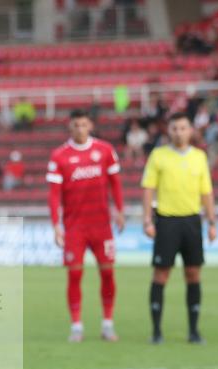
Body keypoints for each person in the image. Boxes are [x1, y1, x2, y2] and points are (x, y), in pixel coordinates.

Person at [47, 108, 125, 342]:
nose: (80, 129)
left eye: (84, 124)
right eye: (76, 125)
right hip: (75, 228)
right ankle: (77, 326)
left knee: (108, 273)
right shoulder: (59, 156)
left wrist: (119, 211)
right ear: (70, 127)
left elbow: (116, 184)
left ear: (90, 126)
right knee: (74, 275)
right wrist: (56, 225)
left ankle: (108, 324)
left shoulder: (105, 151)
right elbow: (54, 195)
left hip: (102, 226)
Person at [141, 112, 217, 345]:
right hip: (166, 221)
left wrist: (212, 222)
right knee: (161, 274)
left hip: (192, 221)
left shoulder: (199, 157)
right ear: (169, 130)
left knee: (193, 273)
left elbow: (207, 192)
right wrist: (147, 220)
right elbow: (148, 189)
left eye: (183, 128)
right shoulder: (158, 156)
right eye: (174, 128)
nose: (178, 132)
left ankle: (193, 331)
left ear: (191, 130)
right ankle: (156, 331)